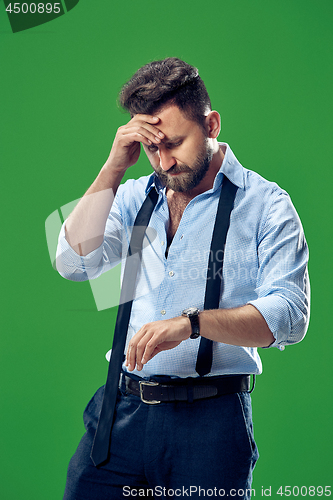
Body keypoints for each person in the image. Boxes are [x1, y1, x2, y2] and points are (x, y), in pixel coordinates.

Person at [56, 57, 310, 499]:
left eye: (174, 143)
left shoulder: (266, 204)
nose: (164, 162)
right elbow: (74, 263)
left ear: (211, 124)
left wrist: (192, 324)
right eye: (152, 148)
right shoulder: (135, 195)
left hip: (211, 422)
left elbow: (290, 316)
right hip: (122, 412)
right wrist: (115, 166)